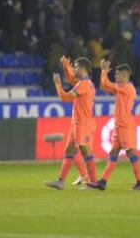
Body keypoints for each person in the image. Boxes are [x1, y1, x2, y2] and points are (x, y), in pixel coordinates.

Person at [88, 60, 140, 191]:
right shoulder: (122, 88)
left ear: (125, 76)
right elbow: (103, 86)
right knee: (113, 152)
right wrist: (104, 74)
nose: (116, 77)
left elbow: (106, 83)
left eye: (118, 74)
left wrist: (103, 71)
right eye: (115, 75)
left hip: (125, 126)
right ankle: (102, 182)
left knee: (131, 152)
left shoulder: (127, 88)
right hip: (119, 126)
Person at [45, 56, 97, 190]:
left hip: (82, 124)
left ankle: (93, 182)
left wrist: (57, 84)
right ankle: (60, 181)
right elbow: (71, 78)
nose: (74, 69)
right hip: (77, 124)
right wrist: (67, 66)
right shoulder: (82, 83)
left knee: (85, 152)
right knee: (69, 150)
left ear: (83, 68)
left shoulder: (84, 84)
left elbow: (65, 97)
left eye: (75, 66)